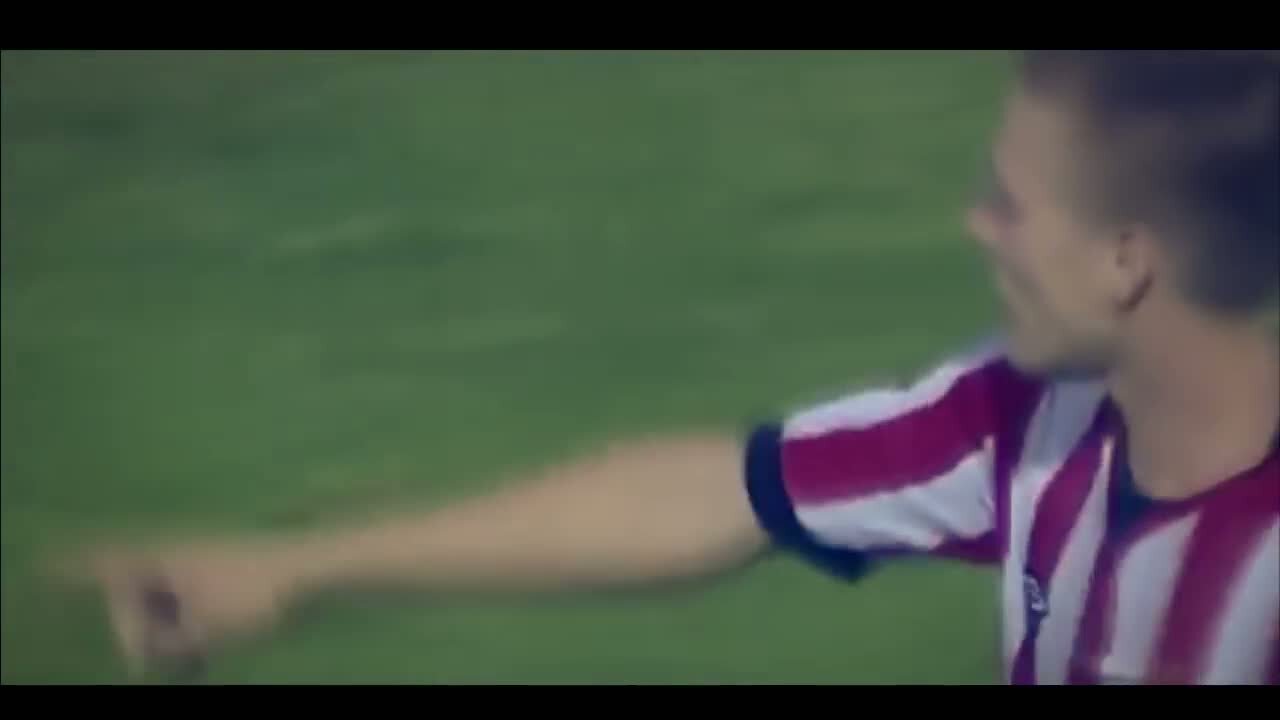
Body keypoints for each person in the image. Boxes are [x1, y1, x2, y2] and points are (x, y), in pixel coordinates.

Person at [72, 50, 1279, 684]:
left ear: (1124, 262)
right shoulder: (1016, 418)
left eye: (1007, 203)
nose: (974, 225)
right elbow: (720, 494)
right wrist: (294, 571)